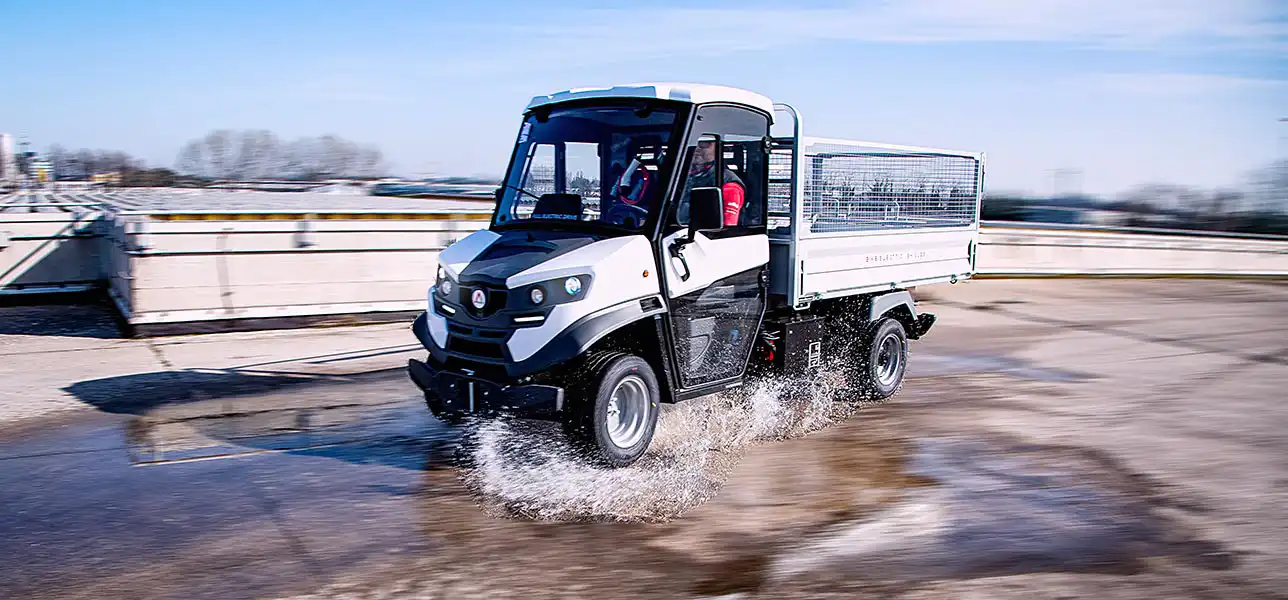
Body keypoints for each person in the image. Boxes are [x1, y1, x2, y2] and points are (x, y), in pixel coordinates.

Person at [680, 138, 744, 227]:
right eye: (694, 143)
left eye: (704, 145)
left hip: (701, 236)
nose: (697, 148)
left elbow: (727, 225)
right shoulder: (679, 176)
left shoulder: (728, 182)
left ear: (717, 149)